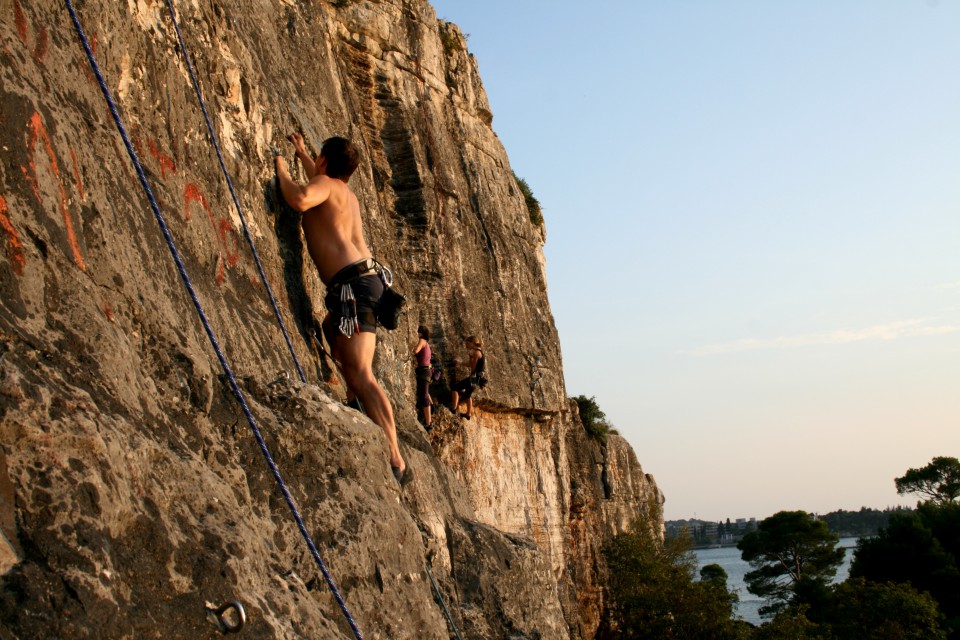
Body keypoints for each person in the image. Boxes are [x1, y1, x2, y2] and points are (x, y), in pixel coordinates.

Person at [275, 134, 408, 484]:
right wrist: (303, 154)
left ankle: (396, 458)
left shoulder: (322, 185)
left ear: (324, 162)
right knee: (333, 333)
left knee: (362, 370)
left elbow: (302, 197)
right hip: (365, 281)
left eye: (316, 159)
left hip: (354, 285)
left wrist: (280, 166)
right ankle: (354, 400)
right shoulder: (345, 194)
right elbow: (320, 185)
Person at [450, 335, 484, 420]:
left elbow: (472, 366)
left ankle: (453, 409)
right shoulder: (478, 352)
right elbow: (470, 364)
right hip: (477, 377)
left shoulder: (476, 353)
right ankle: (468, 414)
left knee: (454, 388)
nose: (466, 346)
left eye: (467, 344)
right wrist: (460, 362)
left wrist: (471, 358)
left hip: (475, 376)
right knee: (467, 394)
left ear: (472, 343)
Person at [413, 325, 433, 429]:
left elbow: (416, 350)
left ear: (420, 333)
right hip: (426, 371)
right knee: (425, 393)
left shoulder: (422, 340)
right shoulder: (427, 344)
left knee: (424, 396)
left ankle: (429, 423)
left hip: (424, 371)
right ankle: (432, 407)